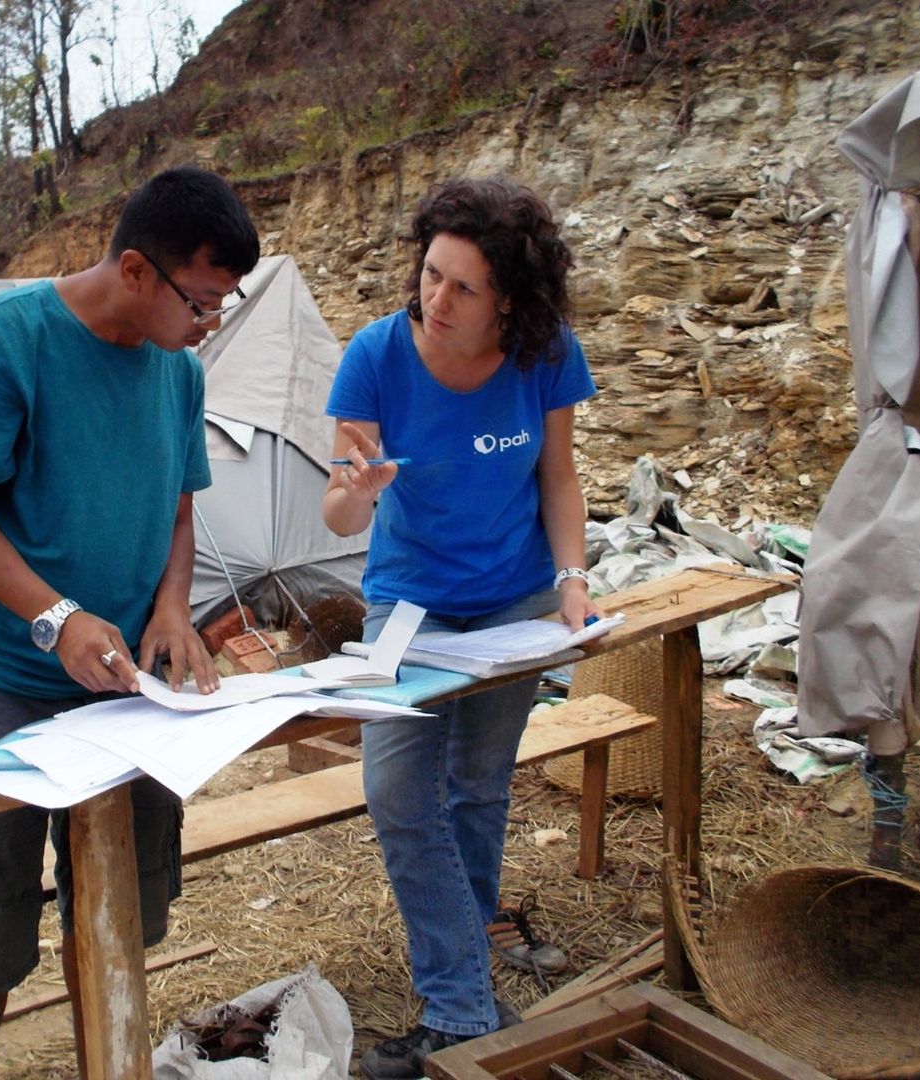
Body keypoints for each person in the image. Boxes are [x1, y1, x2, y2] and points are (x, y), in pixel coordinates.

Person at [0, 166, 259, 1080]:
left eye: (226, 304)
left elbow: (181, 507)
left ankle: (104, 1058)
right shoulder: (3, 340)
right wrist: (58, 616)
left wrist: (174, 610)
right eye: (202, 299)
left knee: (120, 892)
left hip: (124, 681)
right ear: (138, 270)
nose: (209, 322)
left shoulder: (176, 371)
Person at [321, 176, 599, 1079]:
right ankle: (465, 1009)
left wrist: (573, 579)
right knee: (400, 793)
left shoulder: (546, 353)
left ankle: (460, 992)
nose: (435, 300)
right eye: (430, 274)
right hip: (408, 604)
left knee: (480, 788)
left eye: (463, 287)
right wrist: (354, 493)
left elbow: (558, 476)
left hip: (516, 601)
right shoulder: (373, 357)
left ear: (508, 302)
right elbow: (337, 517)